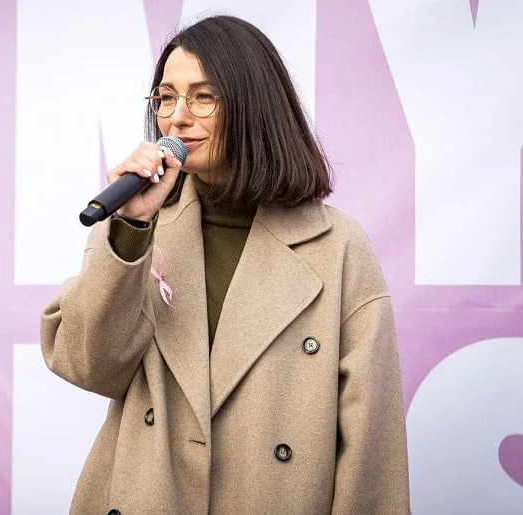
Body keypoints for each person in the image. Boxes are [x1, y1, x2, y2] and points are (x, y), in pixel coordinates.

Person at [40, 14, 409, 514]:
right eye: (166, 97)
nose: (177, 117)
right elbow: (88, 366)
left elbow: (371, 445)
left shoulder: (337, 246)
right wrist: (131, 225)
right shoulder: (139, 227)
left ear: (254, 105)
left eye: (203, 97)